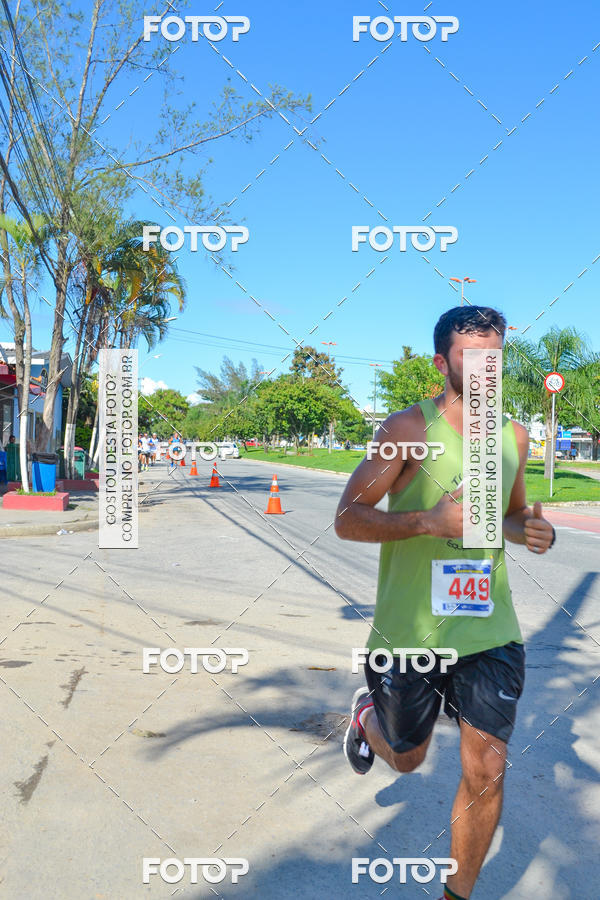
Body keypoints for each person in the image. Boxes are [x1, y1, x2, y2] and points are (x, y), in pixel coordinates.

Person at [335, 306, 555, 900]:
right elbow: (347, 518)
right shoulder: (406, 430)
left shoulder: (513, 436)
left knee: (486, 768)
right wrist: (426, 522)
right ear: (442, 362)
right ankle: (367, 720)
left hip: (490, 630)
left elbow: (506, 516)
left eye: (496, 357)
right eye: (471, 358)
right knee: (408, 759)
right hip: (411, 633)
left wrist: (529, 530)